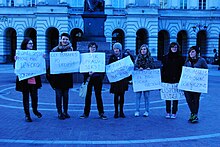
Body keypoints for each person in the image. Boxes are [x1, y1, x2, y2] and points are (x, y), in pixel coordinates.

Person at [15, 37, 43, 122]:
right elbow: (16, 68)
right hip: (24, 80)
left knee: (34, 97)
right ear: (25, 44)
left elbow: (40, 65)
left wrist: (42, 59)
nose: (32, 45)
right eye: (30, 43)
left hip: (33, 79)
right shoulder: (20, 54)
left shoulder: (35, 53)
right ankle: (27, 115)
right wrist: (16, 61)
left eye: (32, 43)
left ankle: (35, 110)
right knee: (25, 97)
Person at [80, 42, 107, 120]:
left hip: (97, 78)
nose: (92, 48)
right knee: (87, 96)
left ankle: (101, 112)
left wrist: (100, 76)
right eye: (91, 47)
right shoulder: (85, 57)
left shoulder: (99, 57)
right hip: (88, 78)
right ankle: (86, 113)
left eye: (94, 47)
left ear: (96, 49)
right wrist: (87, 73)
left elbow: (102, 68)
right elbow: (82, 68)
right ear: (88, 48)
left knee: (98, 95)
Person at [50, 33, 74, 120]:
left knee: (66, 95)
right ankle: (59, 112)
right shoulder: (54, 50)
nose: (65, 41)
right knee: (59, 95)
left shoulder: (71, 50)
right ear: (60, 39)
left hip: (67, 76)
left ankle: (65, 111)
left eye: (66, 39)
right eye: (63, 39)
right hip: (57, 77)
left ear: (69, 40)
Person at [184, 46, 208, 123]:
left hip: (197, 84)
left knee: (195, 100)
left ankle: (194, 115)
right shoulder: (187, 61)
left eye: (193, 51)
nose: (191, 53)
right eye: (190, 51)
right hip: (188, 84)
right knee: (188, 99)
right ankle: (193, 113)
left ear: (196, 53)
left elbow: (206, 70)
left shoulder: (201, 60)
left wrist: (198, 71)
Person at [161, 42, 185, 119]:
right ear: (170, 48)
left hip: (177, 79)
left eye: (175, 47)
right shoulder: (165, 57)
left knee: (175, 97)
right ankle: (168, 112)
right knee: (167, 97)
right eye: (172, 47)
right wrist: (162, 79)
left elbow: (182, 69)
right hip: (167, 79)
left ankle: (174, 112)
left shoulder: (181, 58)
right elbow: (163, 69)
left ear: (177, 48)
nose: (174, 48)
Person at [134, 44, 155, 117]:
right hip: (139, 81)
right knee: (138, 96)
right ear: (140, 50)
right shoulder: (137, 58)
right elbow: (134, 68)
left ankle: (146, 110)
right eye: (142, 49)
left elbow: (153, 67)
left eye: (145, 49)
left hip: (147, 81)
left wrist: (149, 69)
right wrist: (138, 69)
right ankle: (137, 110)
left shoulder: (150, 59)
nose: (143, 50)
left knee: (146, 96)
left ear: (147, 50)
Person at [109, 42, 129, 118]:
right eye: (114, 49)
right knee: (116, 96)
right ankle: (116, 111)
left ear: (120, 49)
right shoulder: (112, 57)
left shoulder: (124, 56)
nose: (116, 50)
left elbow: (129, 65)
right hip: (115, 80)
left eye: (117, 49)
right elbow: (109, 67)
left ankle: (121, 111)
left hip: (123, 80)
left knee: (122, 96)